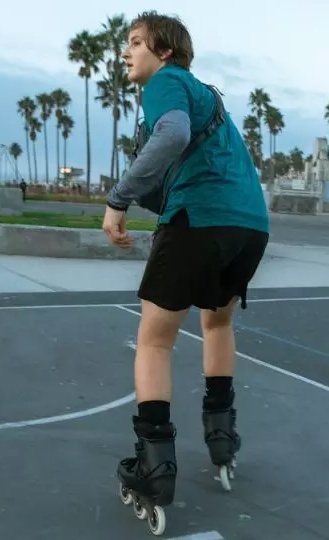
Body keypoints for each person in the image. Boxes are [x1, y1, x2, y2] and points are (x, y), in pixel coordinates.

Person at [102, 11, 270, 512]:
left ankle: (155, 464)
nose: (126, 52)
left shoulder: (166, 83)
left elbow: (172, 135)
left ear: (164, 52)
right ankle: (221, 435)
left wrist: (118, 199)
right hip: (250, 225)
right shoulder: (206, 95)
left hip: (200, 220)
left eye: (136, 42)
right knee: (217, 325)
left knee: (154, 339)